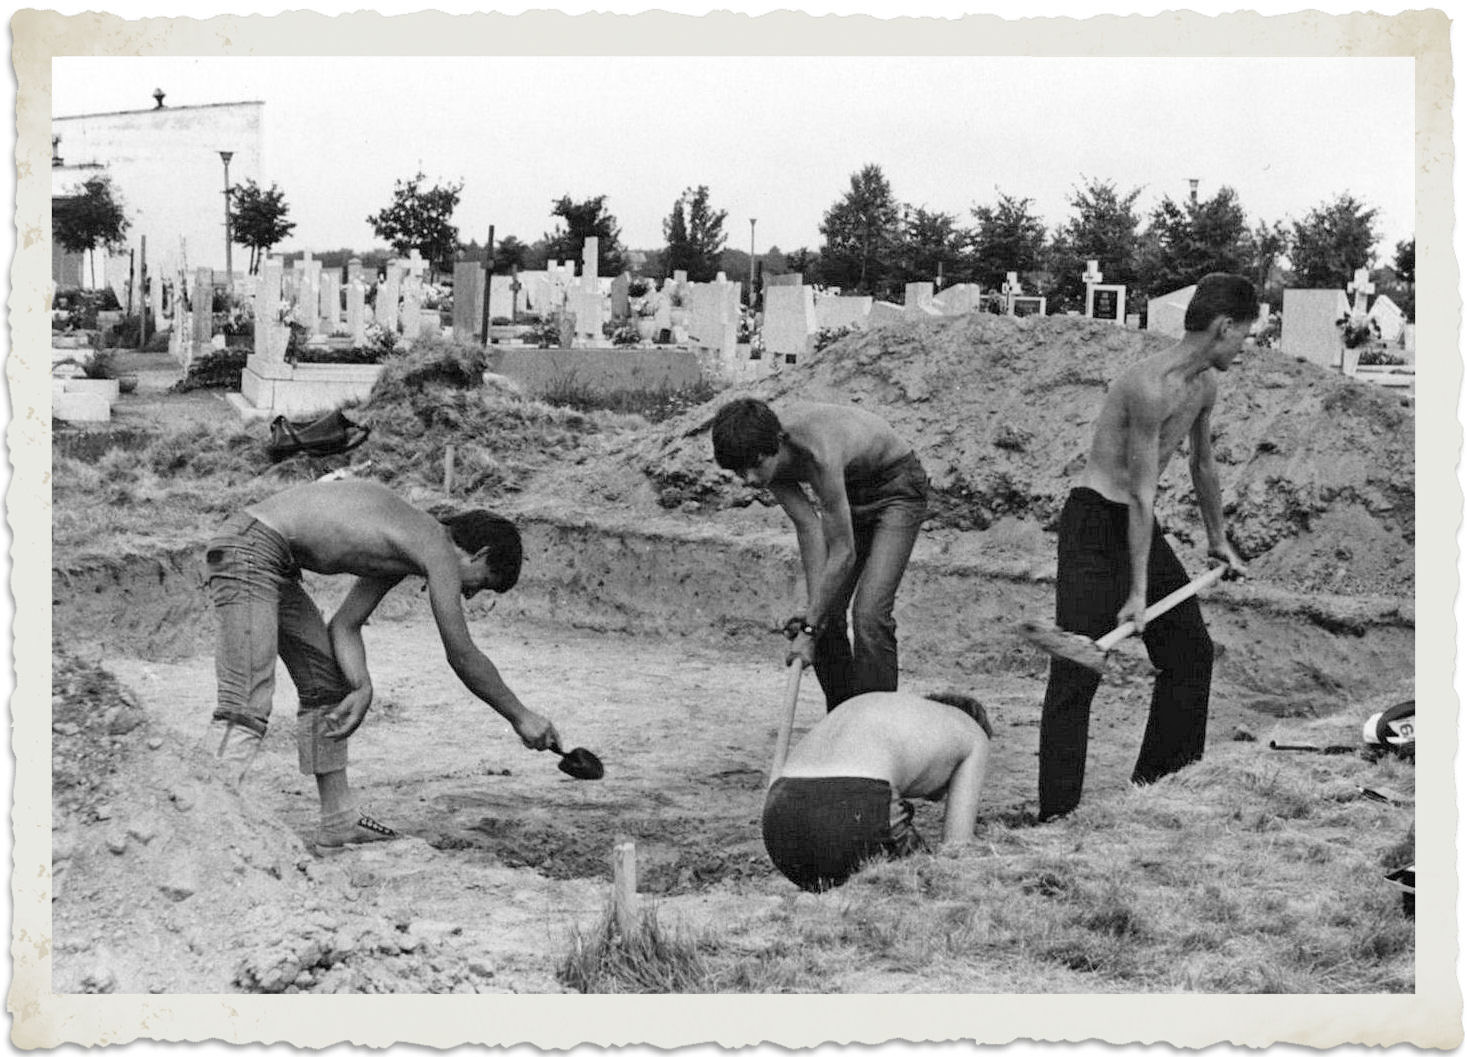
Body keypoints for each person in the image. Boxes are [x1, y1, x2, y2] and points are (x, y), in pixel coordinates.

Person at [202, 479, 562, 853]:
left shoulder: (407, 545)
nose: (469, 593)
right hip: (250, 549)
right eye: (482, 583)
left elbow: (345, 624)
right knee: (245, 703)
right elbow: (463, 655)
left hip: (272, 561)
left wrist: (361, 686)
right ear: (478, 553)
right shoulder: (437, 547)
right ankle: (200, 820)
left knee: (326, 682)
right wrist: (521, 716)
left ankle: (339, 821)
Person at [1038, 272, 1255, 822]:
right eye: (1244, 335)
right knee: (1078, 670)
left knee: (1189, 655)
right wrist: (1137, 592)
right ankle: (1055, 818)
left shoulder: (1205, 385)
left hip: (1137, 523)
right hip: (1095, 525)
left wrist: (1217, 540)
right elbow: (1139, 494)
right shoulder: (1148, 386)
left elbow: (1201, 463)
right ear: (1224, 327)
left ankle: (1159, 790)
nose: (1245, 346)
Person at [710, 398, 930, 711]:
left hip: (897, 489)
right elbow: (809, 529)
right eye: (740, 472)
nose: (751, 479)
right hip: (849, 494)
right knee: (826, 615)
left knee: (869, 615)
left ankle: (874, 723)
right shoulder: (762, 454)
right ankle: (841, 719)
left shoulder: (819, 453)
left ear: (779, 443)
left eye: (755, 465)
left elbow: (843, 553)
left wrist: (810, 628)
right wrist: (816, 613)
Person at [762, 690, 993, 892]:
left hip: (779, 825)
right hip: (854, 809)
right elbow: (957, 851)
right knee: (934, 883)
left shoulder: (894, 709)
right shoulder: (972, 732)